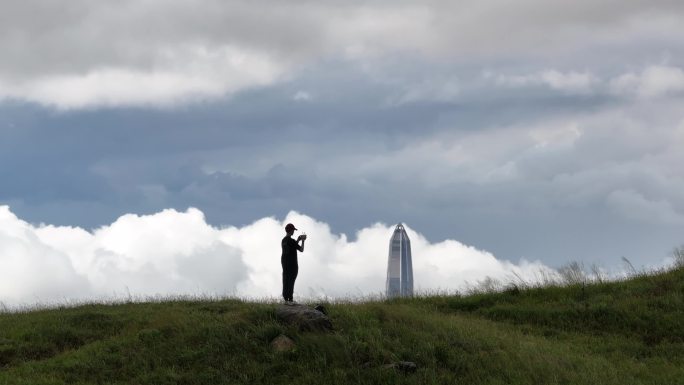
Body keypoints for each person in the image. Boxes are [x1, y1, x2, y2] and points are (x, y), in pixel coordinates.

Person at [281, 223, 306, 304]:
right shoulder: (291, 241)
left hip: (285, 263)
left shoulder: (284, 240)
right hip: (292, 264)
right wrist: (302, 241)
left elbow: (292, 246)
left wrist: (297, 240)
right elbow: (301, 249)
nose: (294, 232)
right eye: (293, 230)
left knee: (286, 279)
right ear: (291, 230)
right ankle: (290, 299)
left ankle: (285, 299)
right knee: (291, 280)